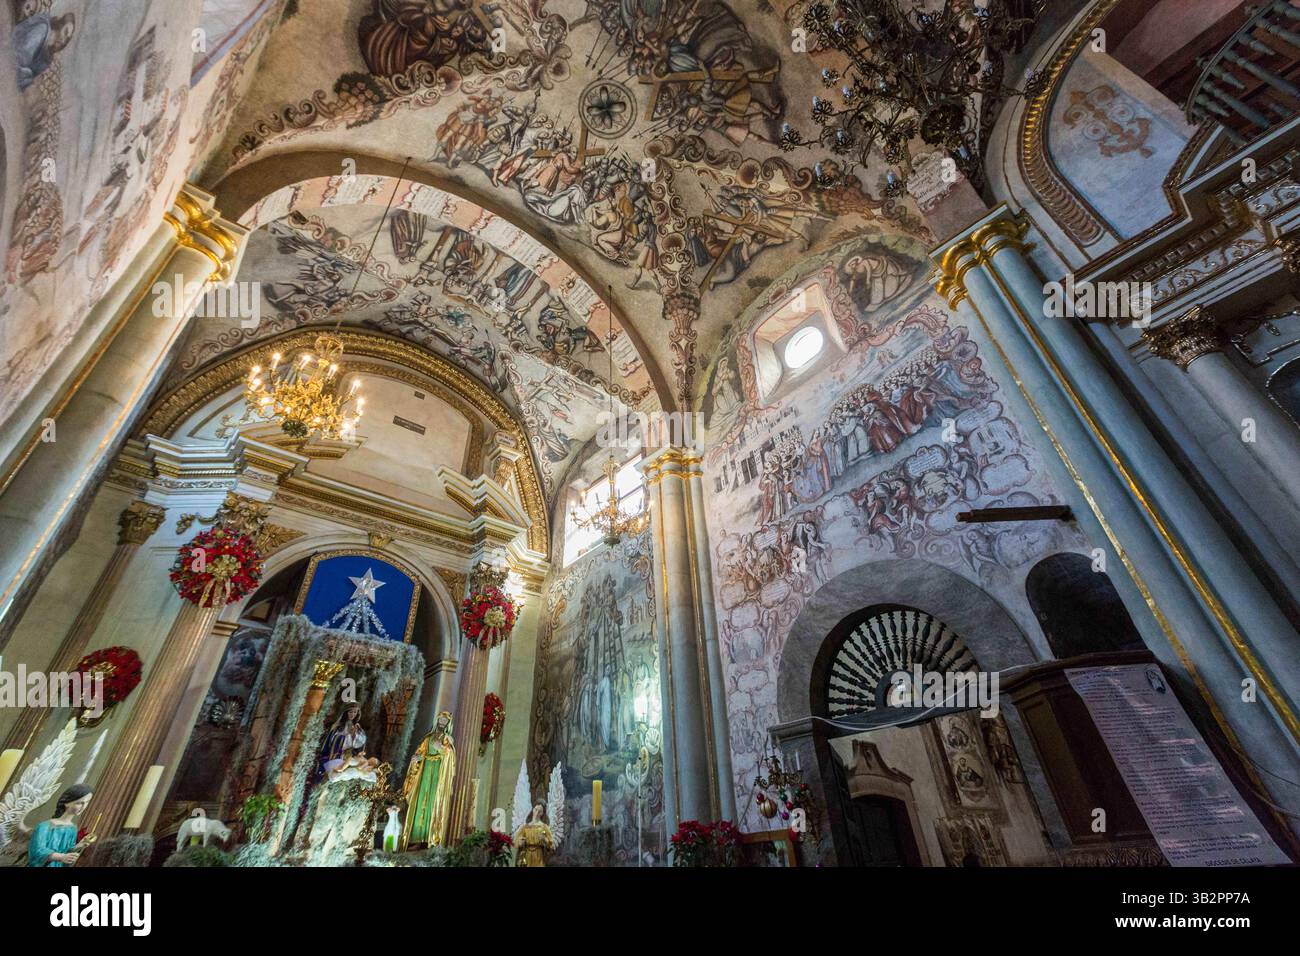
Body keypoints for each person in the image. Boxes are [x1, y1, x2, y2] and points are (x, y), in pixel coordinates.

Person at [28, 784, 92, 867]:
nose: (83, 807)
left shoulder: (72, 829)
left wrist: (80, 845)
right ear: (67, 803)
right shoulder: (45, 826)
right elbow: (38, 850)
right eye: (79, 803)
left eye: (86, 802)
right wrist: (61, 857)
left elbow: (66, 850)